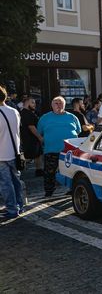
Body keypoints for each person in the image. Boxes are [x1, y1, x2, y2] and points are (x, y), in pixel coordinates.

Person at [37, 96, 81, 197]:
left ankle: (73, 190)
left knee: (72, 172)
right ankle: (49, 192)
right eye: (56, 103)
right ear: (52, 105)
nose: (58, 105)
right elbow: (40, 132)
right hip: (51, 150)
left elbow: (78, 131)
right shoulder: (45, 118)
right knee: (49, 172)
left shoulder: (72, 117)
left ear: (64, 105)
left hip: (69, 151)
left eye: (60, 103)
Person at [0, 86, 25, 219]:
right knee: (16, 181)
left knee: (5, 183)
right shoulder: (14, 111)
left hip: (1, 155)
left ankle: (11, 209)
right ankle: (19, 206)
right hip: (15, 152)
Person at [20, 97, 43, 176]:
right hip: (30, 138)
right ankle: (18, 171)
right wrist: (40, 137)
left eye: (34, 102)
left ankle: (39, 170)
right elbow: (31, 127)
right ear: (26, 103)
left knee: (38, 154)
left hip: (32, 138)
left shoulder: (28, 112)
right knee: (29, 156)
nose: (34, 104)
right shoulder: (26, 113)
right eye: (32, 102)